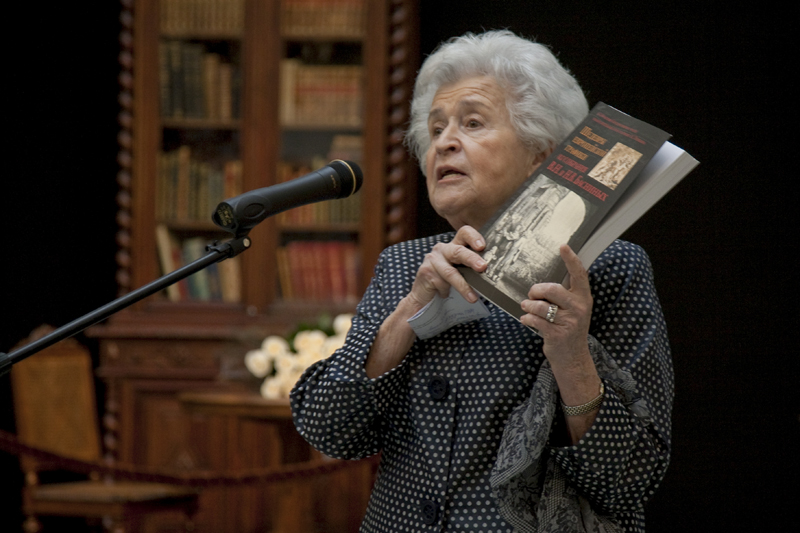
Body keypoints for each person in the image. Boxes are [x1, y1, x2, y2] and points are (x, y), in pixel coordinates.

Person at [291, 30, 673, 533]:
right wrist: (410, 310)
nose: (444, 142)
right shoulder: (405, 266)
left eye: (472, 123)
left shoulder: (605, 267)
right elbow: (329, 429)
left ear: (542, 155)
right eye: (436, 129)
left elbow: (633, 477)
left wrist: (571, 353)